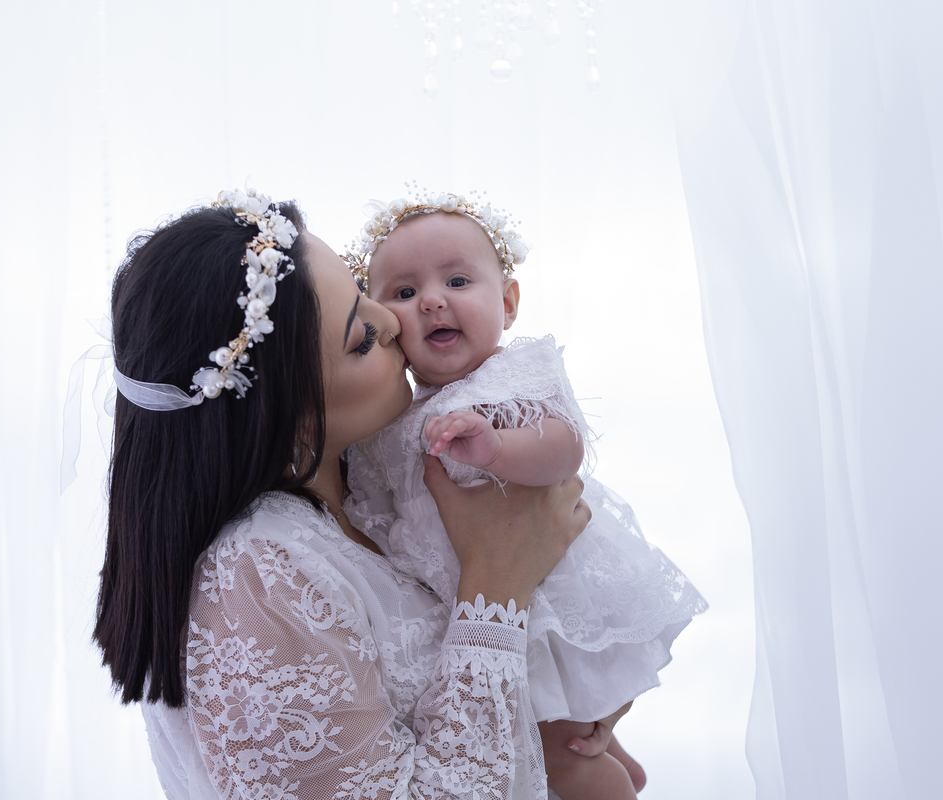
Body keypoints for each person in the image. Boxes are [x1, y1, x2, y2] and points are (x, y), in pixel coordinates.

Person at [91, 188, 593, 800]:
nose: (392, 321)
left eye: (362, 292)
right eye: (360, 339)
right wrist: (495, 588)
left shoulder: (375, 483)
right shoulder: (256, 581)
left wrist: (585, 696)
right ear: (291, 416)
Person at [342, 190, 708, 799]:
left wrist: (497, 450)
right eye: (403, 293)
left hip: (543, 601)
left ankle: (610, 784)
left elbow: (566, 447)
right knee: (565, 734)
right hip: (481, 602)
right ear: (381, 325)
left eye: (457, 280)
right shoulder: (394, 417)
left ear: (508, 302)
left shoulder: (511, 378)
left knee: (560, 750)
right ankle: (623, 770)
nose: (431, 299)